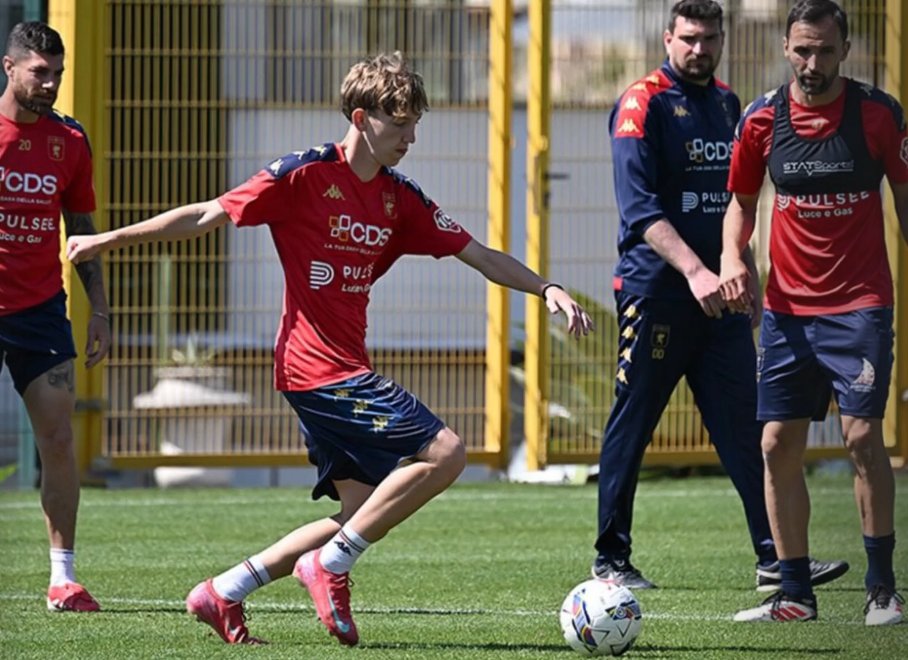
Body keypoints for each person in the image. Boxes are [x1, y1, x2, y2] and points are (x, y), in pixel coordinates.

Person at [67, 51, 593, 645]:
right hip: (317, 369)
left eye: (416, 126)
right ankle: (329, 565)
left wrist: (546, 287)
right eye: (400, 125)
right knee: (445, 453)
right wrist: (108, 238)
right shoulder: (303, 175)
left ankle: (222, 592)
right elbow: (207, 214)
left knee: (357, 512)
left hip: (337, 369)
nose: (411, 138)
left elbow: (479, 254)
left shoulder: (399, 198)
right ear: (363, 117)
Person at [592, 0, 847, 593]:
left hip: (723, 301)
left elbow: (740, 203)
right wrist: (694, 272)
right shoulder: (642, 103)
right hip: (657, 296)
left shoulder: (729, 103)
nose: (700, 49)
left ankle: (775, 558)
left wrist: (744, 272)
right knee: (632, 426)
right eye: (689, 39)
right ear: (668, 38)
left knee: (748, 428)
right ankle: (611, 558)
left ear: (723, 39)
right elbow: (640, 211)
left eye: (710, 38)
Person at [720, 0, 906, 626]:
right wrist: (731, 258)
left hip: (859, 307)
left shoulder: (879, 115)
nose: (813, 63)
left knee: (860, 437)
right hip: (786, 312)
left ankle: (882, 588)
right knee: (776, 444)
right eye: (802, 49)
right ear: (784, 47)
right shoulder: (761, 120)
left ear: (844, 50)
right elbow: (741, 205)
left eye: (825, 51)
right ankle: (794, 594)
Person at [0, 22, 111, 612]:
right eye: (39, 72)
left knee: (61, 439)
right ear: (9, 67)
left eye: (58, 74)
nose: (50, 83)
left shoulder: (71, 140)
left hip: (40, 309)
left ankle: (63, 578)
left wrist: (100, 310)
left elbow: (84, 229)